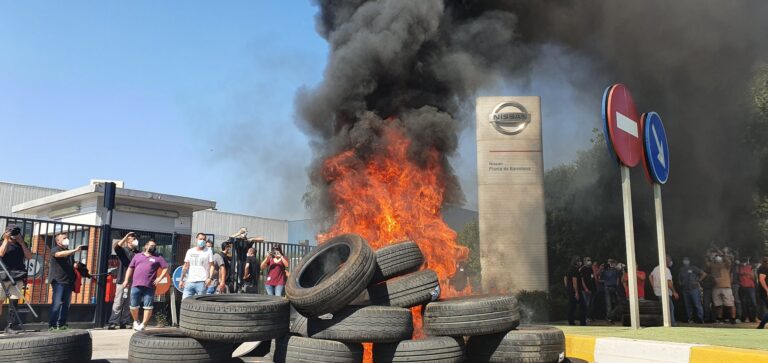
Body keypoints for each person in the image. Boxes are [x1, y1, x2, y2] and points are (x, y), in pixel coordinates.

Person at [122, 239, 169, 331]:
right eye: (151, 245)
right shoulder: (137, 256)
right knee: (133, 305)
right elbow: (130, 268)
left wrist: (159, 278)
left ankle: (143, 324)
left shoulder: (158, 258)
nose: (153, 247)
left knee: (148, 306)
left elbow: (165, 268)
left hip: (149, 286)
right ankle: (136, 321)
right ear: (146, 246)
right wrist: (126, 280)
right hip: (136, 284)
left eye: (154, 246)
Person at [0, 225, 32, 332]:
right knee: (0, 301)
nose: (14, 234)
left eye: (16, 232)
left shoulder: (21, 244)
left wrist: (22, 242)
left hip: (17, 276)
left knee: (13, 302)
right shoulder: (2, 242)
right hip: (3, 276)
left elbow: (29, 256)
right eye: (12, 232)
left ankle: (10, 325)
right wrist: (6, 239)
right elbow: (1, 253)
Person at [49, 232, 82, 330]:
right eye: (64, 238)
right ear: (58, 241)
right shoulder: (55, 249)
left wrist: (77, 265)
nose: (66, 239)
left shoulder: (69, 252)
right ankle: (52, 325)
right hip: (58, 281)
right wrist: (75, 250)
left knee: (66, 305)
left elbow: (71, 264)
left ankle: (62, 324)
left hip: (68, 282)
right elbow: (59, 254)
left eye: (67, 238)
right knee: (57, 303)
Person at [108, 232, 138, 329]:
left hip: (133, 281)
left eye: (134, 239)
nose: (134, 240)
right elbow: (117, 247)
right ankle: (113, 322)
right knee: (118, 302)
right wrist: (126, 237)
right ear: (128, 241)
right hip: (122, 281)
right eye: (132, 239)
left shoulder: (137, 253)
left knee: (128, 303)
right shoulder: (123, 250)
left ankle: (124, 322)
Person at [706, 250, 737, 324]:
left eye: (718, 256)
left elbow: (729, 262)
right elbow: (707, 264)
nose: (717, 257)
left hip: (726, 287)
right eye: (716, 256)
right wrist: (708, 256)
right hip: (716, 288)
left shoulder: (726, 265)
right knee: (718, 305)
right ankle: (719, 319)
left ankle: (733, 319)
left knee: (730, 304)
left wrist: (723, 255)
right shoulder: (713, 265)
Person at [180, 233, 214, 299]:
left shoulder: (208, 251)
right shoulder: (190, 251)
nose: (202, 241)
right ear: (196, 239)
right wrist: (181, 280)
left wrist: (210, 278)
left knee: (200, 304)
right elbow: (185, 266)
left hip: (202, 282)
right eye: (200, 239)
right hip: (189, 282)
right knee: (184, 302)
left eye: (204, 239)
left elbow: (212, 266)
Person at [650, 256, 679, 326]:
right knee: (670, 308)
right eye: (669, 260)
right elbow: (668, 282)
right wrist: (674, 292)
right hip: (665, 292)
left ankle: (665, 323)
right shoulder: (666, 270)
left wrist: (653, 286)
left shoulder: (656, 268)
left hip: (658, 292)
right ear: (666, 261)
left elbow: (650, 276)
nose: (670, 262)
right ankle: (672, 323)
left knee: (664, 308)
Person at [677, 256, 706, 323]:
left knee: (697, 304)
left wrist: (698, 281)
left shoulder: (693, 268)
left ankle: (700, 319)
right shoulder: (681, 269)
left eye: (687, 260)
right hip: (685, 290)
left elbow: (704, 274)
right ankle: (690, 319)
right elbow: (679, 278)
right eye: (684, 260)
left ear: (689, 261)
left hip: (694, 289)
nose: (685, 261)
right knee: (688, 305)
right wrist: (680, 283)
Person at [565, 256, 586, 326]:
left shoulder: (570, 269)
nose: (580, 262)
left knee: (572, 306)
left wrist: (567, 287)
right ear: (576, 262)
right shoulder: (574, 270)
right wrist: (576, 292)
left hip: (571, 290)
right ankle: (582, 322)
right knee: (582, 306)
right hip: (574, 291)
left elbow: (565, 278)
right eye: (578, 261)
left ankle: (571, 321)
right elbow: (574, 281)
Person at [738, 258, 758, 323]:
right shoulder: (740, 267)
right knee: (744, 304)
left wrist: (752, 272)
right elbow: (740, 273)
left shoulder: (752, 268)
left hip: (751, 287)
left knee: (754, 303)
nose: (747, 262)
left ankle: (754, 317)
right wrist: (747, 273)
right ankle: (746, 318)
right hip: (743, 286)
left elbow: (754, 278)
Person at [757, 256, 768, 329]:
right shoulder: (763, 268)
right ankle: (761, 325)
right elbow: (761, 279)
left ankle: (761, 326)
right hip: (765, 292)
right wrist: (767, 290)